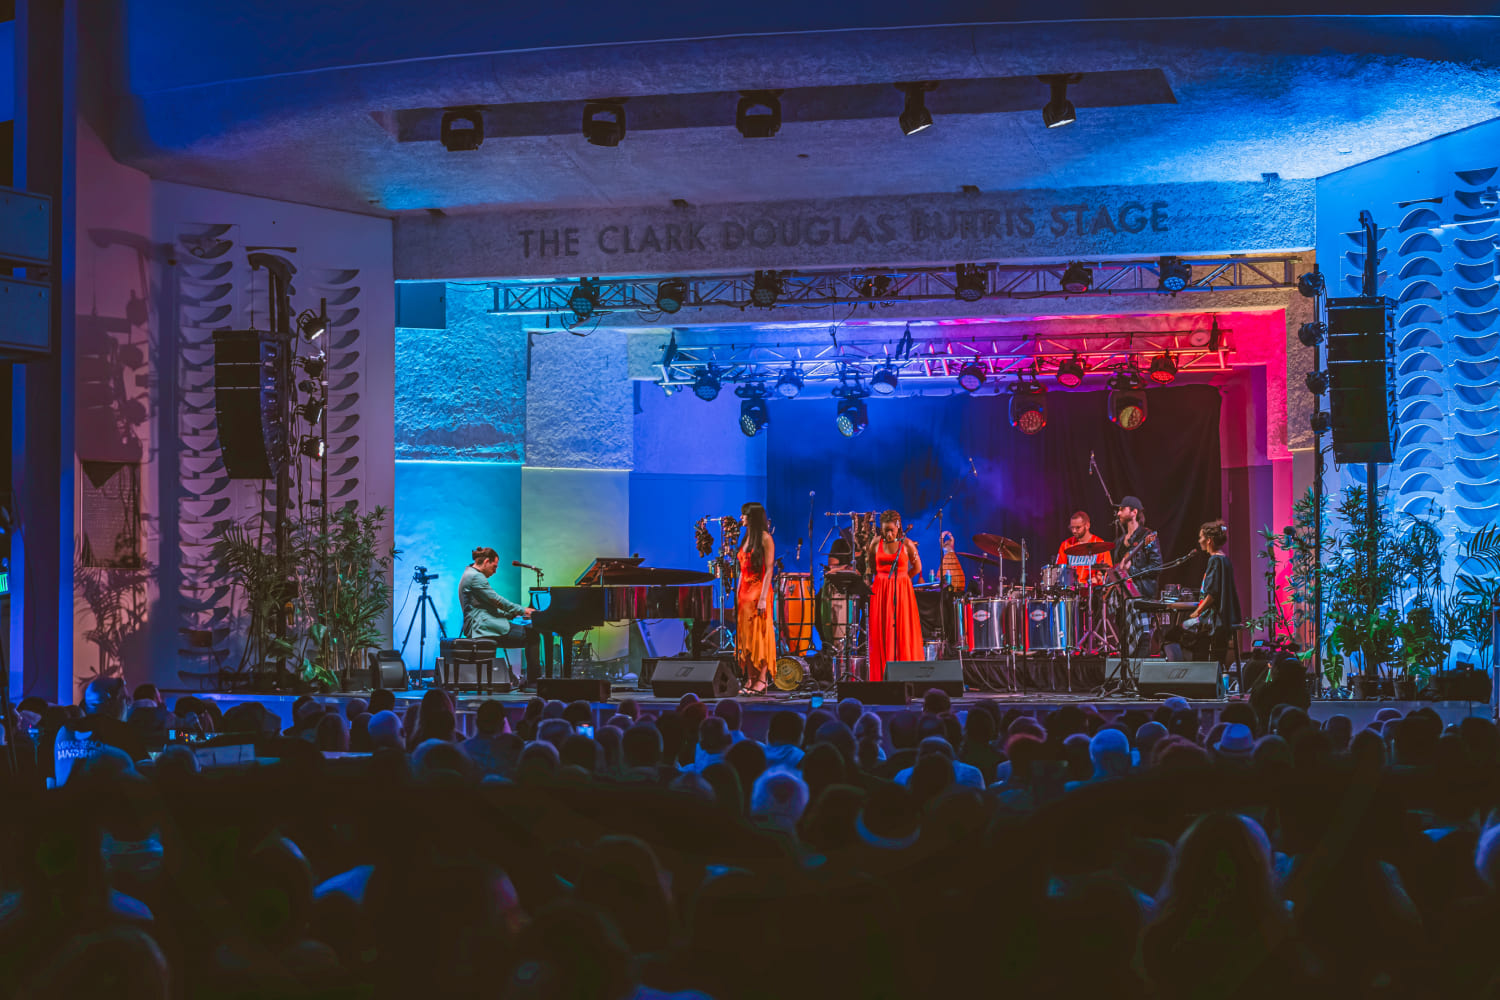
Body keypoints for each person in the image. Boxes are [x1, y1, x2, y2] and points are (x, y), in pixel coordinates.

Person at [458, 546, 541, 686]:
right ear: (486, 562)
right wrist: (523, 610)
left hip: (482, 623)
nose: (495, 571)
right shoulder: (475, 577)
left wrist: (511, 613)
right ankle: (533, 681)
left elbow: (485, 607)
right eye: (494, 566)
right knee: (532, 634)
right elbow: (497, 600)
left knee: (530, 633)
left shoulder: (470, 574)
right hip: (482, 627)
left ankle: (529, 680)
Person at [865, 509, 922, 682]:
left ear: (898, 527)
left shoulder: (907, 544)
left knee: (902, 629)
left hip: (902, 591)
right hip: (880, 590)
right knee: (882, 630)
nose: (889, 534)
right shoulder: (875, 543)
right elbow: (870, 567)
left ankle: (905, 675)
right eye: (885, 530)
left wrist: (903, 581)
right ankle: (882, 675)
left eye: (891, 530)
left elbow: (917, 568)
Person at [1181, 519, 1242, 665]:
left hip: (1214, 621)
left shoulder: (1214, 560)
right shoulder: (1224, 559)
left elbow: (1212, 593)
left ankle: (1193, 672)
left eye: (1201, 537)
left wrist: (1197, 611)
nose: (1199, 540)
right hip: (1224, 619)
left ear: (1208, 540)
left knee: (1179, 632)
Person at [1110, 496, 1162, 660]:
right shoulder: (1119, 541)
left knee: (1142, 638)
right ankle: (1127, 678)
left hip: (1141, 595)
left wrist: (1131, 569)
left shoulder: (1148, 536)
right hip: (1124, 596)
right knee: (1125, 636)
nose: (1118, 513)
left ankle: (1140, 677)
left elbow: (1156, 566)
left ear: (1134, 512)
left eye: (1122, 509)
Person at [736, 502, 776, 694]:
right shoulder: (746, 538)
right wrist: (738, 590)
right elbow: (742, 570)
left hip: (759, 589)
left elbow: (769, 569)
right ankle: (750, 678)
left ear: (753, 517)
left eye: (744, 515)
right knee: (746, 637)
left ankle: (762, 679)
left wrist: (762, 598)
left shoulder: (765, 538)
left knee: (760, 635)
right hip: (744, 592)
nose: (741, 518)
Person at [1055, 510, 1112, 587]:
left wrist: (1098, 578)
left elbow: (1107, 571)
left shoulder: (1100, 544)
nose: (1074, 531)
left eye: (1078, 528)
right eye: (1072, 528)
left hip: (1093, 590)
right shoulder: (1065, 545)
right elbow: (1059, 571)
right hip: (1071, 591)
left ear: (1087, 525)